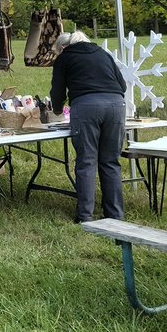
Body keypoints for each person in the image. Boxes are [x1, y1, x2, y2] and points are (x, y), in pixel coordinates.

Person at [50, 30, 128, 223]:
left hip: (86, 107)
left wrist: (58, 109)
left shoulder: (65, 58)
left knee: (87, 162)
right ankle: (115, 214)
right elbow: (123, 86)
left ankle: (85, 215)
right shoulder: (103, 54)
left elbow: (57, 89)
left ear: (63, 47)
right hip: (116, 106)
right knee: (111, 161)